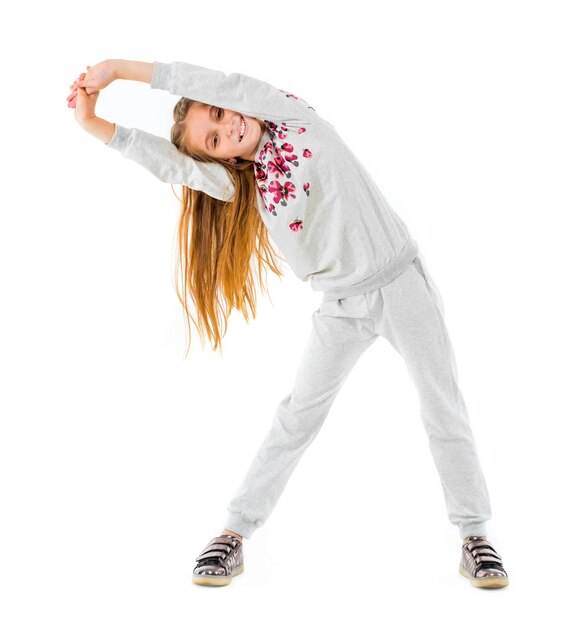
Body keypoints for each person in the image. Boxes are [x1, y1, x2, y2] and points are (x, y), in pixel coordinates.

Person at [67, 59, 509, 589]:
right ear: (222, 158)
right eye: (213, 138)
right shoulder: (244, 185)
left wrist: (118, 70)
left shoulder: (293, 120)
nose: (225, 126)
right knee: (296, 418)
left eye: (217, 114)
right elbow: (174, 166)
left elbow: (218, 83)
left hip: (401, 286)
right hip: (340, 308)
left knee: (442, 406)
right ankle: (234, 534)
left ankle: (474, 536)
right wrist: (93, 123)